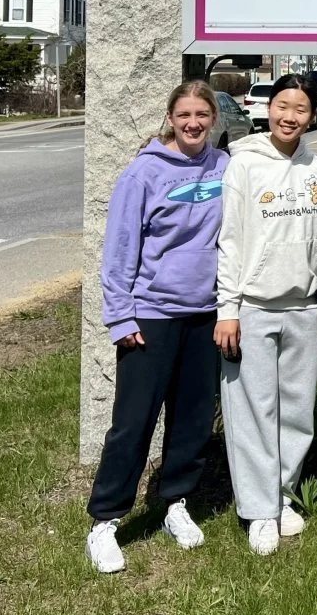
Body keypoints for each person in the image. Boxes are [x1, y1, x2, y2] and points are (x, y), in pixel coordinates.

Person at [85, 81, 227, 574]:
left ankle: (175, 504)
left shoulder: (224, 168)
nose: (193, 123)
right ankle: (106, 520)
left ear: (214, 118)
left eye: (202, 115)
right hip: (151, 316)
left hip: (204, 313)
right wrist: (121, 315)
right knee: (133, 421)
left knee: (191, 420)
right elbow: (120, 249)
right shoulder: (143, 173)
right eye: (184, 114)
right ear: (170, 117)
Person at [214, 74, 317, 556]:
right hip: (253, 307)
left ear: (312, 115)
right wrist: (228, 308)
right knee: (252, 411)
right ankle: (259, 511)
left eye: (300, 109)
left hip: (304, 305)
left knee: (298, 412)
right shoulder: (243, 164)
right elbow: (231, 239)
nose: (289, 116)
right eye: (282, 105)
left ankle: (281, 495)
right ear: (267, 108)